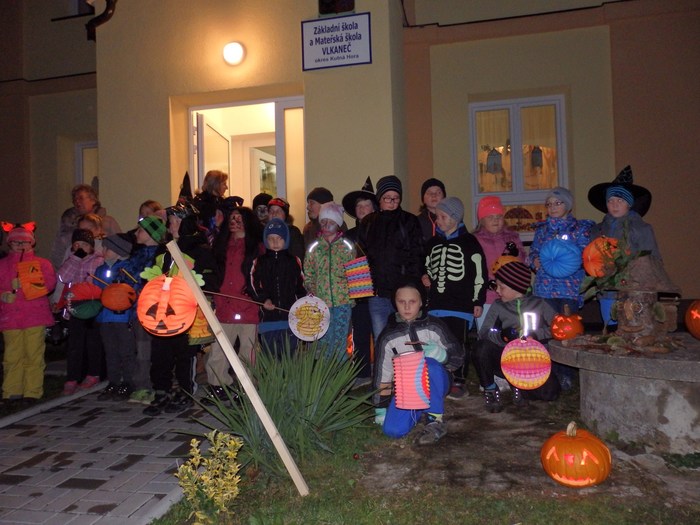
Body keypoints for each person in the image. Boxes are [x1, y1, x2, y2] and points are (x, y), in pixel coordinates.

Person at [142, 203, 220, 416]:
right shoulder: (163, 249)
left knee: (185, 354)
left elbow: (211, 279)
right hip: (162, 310)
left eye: (177, 221)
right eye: (171, 221)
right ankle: (162, 391)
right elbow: (154, 274)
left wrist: (195, 282)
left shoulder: (199, 250)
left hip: (186, 311)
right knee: (160, 354)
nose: (172, 224)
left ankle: (186, 392)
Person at [372, 277, 462, 445]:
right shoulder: (388, 336)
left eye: (412, 302)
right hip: (408, 389)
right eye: (401, 302)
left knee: (428, 364)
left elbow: (458, 358)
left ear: (421, 302)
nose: (407, 307)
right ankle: (418, 409)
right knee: (393, 430)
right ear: (395, 303)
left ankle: (435, 419)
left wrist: (442, 355)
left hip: (437, 381)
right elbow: (383, 373)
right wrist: (380, 407)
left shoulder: (434, 326)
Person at [473, 257, 561, 413]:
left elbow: (559, 328)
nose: (497, 291)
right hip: (505, 358)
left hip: (531, 360)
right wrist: (501, 336)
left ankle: (518, 386)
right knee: (481, 348)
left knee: (550, 394)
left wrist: (536, 335)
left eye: (501, 287)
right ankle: (490, 390)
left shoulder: (539, 304)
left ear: (517, 287)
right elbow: (484, 333)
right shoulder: (498, 306)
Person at [528, 187, 594, 390]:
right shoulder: (542, 230)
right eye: (549, 204)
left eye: (558, 203)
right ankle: (548, 374)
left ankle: (566, 374)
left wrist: (573, 261)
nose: (553, 207)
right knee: (546, 331)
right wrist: (534, 261)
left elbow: (586, 255)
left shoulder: (580, 229)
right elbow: (533, 253)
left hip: (568, 288)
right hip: (545, 290)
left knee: (568, 333)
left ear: (568, 205)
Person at [422, 197, 487, 399]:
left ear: (455, 218)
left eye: (443, 217)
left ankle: (459, 381)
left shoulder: (470, 242)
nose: (438, 221)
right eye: (437, 217)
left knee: (458, 344)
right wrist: (425, 276)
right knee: (437, 343)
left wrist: (478, 300)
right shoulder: (432, 243)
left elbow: (479, 273)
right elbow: (426, 266)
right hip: (436, 304)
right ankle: (439, 378)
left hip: (461, 305)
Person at [587, 166, 661, 328]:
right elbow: (591, 258)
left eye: (620, 200)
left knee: (632, 324)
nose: (614, 204)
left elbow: (652, 259)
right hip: (607, 288)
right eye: (610, 200)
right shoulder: (597, 230)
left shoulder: (641, 229)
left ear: (629, 204)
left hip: (634, 287)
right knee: (611, 323)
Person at [206, 206, 264, 403]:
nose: (235, 222)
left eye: (239, 218)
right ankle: (218, 385)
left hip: (248, 306)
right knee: (219, 349)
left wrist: (258, 295)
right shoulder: (221, 245)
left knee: (248, 351)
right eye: (232, 218)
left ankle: (248, 388)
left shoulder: (256, 247)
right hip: (224, 305)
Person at [357, 175, 424, 341]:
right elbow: (361, 256)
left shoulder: (409, 221)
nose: (392, 202)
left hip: (402, 293)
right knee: (381, 338)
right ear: (379, 199)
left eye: (396, 198)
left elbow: (417, 255)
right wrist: (364, 287)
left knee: (405, 337)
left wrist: (411, 285)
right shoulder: (368, 222)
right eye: (387, 197)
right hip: (376, 293)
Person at [0, 223, 56, 405]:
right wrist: (3, 294)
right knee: (12, 356)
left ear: (32, 243)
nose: (20, 245)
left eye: (24, 241)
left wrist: (26, 282)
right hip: (11, 318)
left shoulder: (42, 264)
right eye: (15, 242)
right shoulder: (2, 265)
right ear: (9, 243)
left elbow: (49, 284)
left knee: (34, 355)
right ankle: (12, 391)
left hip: (34, 317)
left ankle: (32, 391)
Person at [123, 215, 167, 405]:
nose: (136, 233)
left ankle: (148, 386)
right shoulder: (137, 254)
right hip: (135, 309)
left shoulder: (158, 257)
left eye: (140, 230)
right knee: (139, 349)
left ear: (151, 235)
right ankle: (141, 385)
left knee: (145, 350)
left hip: (150, 310)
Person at [56, 228, 105, 395]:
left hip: (92, 306)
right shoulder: (71, 261)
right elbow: (62, 277)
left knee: (93, 342)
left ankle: (93, 374)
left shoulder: (98, 261)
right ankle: (72, 378)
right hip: (75, 308)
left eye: (84, 244)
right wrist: (75, 259)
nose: (81, 247)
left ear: (91, 246)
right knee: (75, 345)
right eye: (77, 244)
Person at [304, 202, 356, 358]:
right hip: (321, 303)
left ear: (338, 224)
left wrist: (352, 297)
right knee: (324, 342)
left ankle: (340, 371)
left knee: (340, 341)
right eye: (323, 222)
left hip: (343, 302)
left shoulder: (347, 247)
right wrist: (311, 291)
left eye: (331, 222)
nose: (326, 226)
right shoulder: (314, 248)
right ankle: (325, 372)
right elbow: (308, 273)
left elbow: (354, 274)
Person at [249, 219, 306, 356]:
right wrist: (264, 299)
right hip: (268, 320)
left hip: (290, 320)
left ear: (286, 239)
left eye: (279, 238)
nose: (275, 242)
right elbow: (253, 284)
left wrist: (304, 303)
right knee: (270, 357)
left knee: (290, 357)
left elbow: (301, 286)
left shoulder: (294, 261)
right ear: (266, 240)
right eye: (271, 238)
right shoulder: (259, 261)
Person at [342, 177, 377, 387]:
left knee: (381, 332)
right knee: (361, 333)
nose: (362, 209)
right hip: (358, 292)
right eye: (359, 206)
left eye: (366, 205)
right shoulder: (349, 236)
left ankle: (383, 372)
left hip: (380, 290)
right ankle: (363, 372)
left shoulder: (382, 231)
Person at [94, 233, 137, 401]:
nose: (103, 250)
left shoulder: (127, 269)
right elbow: (95, 290)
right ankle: (113, 381)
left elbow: (131, 292)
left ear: (118, 251)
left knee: (126, 351)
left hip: (122, 317)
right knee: (110, 351)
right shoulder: (100, 269)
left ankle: (128, 382)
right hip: (105, 317)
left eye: (107, 248)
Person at [472, 196, 526, 329]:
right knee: (488, 332)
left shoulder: (512, 237)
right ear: (482, 220)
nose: (495, 220)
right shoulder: (474, 240)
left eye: (499, 217)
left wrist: (516, 253)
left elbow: (522, 263)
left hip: (512, 295)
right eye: (490, 217)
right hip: (487, 297)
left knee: (513, 331)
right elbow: (472, 269)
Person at [50, 184, 121, 269]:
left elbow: (120, 247)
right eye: (75, 199)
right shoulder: (68, 224)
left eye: (81, 198)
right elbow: (59, 250)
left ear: (93, 200)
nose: (77, 201)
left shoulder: (107, 222)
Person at [193, 170, 229, 245]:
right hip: (204, 244)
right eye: (224, 184)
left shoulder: (222, 202)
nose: (226, 187)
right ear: (215, 185)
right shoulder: (200, 202)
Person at [267, 197, 305, 261]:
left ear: (285, 215)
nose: (274, 214)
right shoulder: (263, 232)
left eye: (278, 211)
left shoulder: (293, 232)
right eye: (271, 211)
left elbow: (298, 257)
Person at [416, 178, 446, 243]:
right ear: (423, 199)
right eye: (429, 193)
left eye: (438, 192)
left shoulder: (452, 219)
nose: (434, 195)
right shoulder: (416, 222)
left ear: (444, 197)